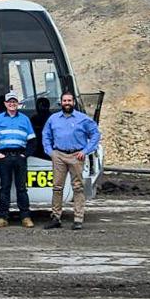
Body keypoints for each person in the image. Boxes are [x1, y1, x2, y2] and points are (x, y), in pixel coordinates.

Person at [42, 91, 101, 231]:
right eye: (64, 100)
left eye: (69, 100)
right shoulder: (53, 119)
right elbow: (46, 135)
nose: (67, 103)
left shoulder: (83, 119)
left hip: (76, 156)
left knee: (78, 187)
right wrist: (50, 152)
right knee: (57, 187)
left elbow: (95, 134)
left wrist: (85, 151)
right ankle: (56, 217)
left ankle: (78, 218)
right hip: (59, 155)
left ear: (73, 102)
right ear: (60, 102)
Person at [0, 92, 35, 228]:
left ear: (18, 104)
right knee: (4, 188)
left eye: (14, 101)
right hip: (5, 157)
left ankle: (25, 217)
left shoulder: (25, 119)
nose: (12, 104)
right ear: (5, 104)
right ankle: (2, 218)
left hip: (20, 157)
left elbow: (32, 141)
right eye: (9, 102)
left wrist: (25, 155)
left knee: (22, 188)